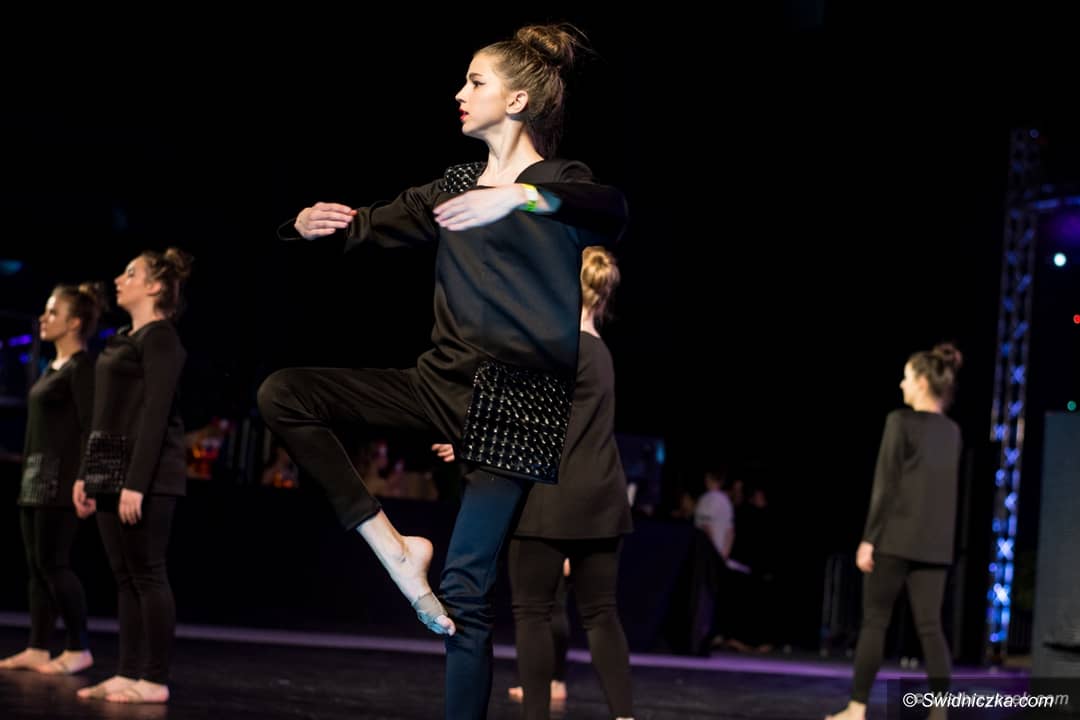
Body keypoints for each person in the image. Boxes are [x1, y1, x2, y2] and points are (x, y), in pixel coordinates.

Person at [256, 23, 627, 720]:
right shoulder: (455, 184)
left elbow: (611, 207)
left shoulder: (558, 183)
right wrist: (306, 225)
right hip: (440, 383)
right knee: (285, 393)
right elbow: (368, 224)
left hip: (518, 403)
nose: (460, 92)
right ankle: (394, 547)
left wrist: (518, 196)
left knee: (464, 593)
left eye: (475, 81)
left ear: (516, 101)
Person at [433, 245, 634, 719]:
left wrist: (467, 444)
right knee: (601, 614)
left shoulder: (557, 349)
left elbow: (522, 417)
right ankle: (625, 716)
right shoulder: (602, 352)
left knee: (532, 612)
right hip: (602, 499)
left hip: (548, 500)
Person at [74, 248, 193, 705]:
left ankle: (153, 679)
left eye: (131, 273)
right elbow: (105, 413)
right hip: (110, 469)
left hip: (148, 474)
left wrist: (136, 483)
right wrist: (87, 474)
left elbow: (155, 415)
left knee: (147, 573)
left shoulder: (161, 338)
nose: (119, 280)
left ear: (155, 287)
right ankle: (127, 671)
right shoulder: (124, 338)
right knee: (124, 576)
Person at [826, 343, 963, 720]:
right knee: (931, 627)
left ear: (921, 382)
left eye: (906, 377)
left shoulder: (899, 422)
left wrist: (869, 538)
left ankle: (857, 709)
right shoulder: (953, 432)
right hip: (935, 545)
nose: (902, 384)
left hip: (895, 538)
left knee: (875, 622)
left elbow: (885, 485)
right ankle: (940, 711)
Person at [0, 283, 104, 675]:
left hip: (60, 480)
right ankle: (38, 646)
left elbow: (91, 426)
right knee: (36, 566)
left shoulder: (82, 369)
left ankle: (79, 646)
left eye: (53, 312)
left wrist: (86, 478)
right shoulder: (52, 367)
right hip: (35, 476)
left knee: (54, 563)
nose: (44, 319)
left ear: (74, 323)